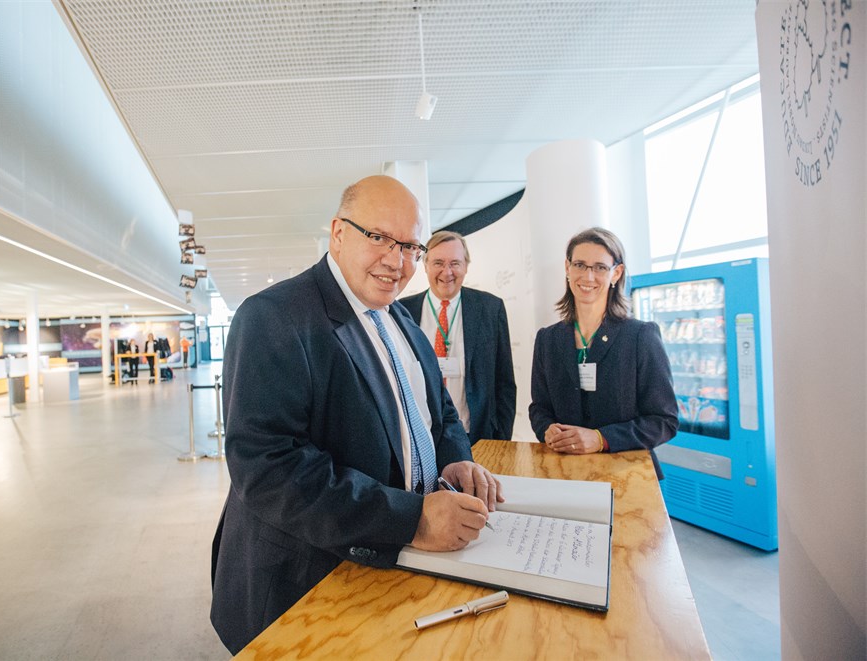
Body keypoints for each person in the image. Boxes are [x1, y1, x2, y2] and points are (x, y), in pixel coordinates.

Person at [210, 175, 503, 655]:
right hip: (304, 588)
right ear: (338, 233)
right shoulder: (273, 317)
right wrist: (414, 520)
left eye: (410, 245)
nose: (398, 261)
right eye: (380, 237)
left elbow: (440, 410)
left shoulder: (401, 318)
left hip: (386, 580)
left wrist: (453, 459)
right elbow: (269, 471)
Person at [528, 227, 678, 475]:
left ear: (616, 273)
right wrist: (547, 429)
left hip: (628, 475)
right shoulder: (547, 339)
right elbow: (539, 408)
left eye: (600, 267)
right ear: (567, 268)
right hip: (564, 472)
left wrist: (600, 439)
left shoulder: (641, 336)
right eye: (580, 265)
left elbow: (664, 420)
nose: (588, 276)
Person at [399, 231, 516, 444]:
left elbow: (504, 381)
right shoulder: (402, 311)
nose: (447, 272)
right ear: (425, 266)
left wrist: (501, 441)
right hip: (421, 437)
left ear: (466, 266)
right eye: (438, 263)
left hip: (476, 436)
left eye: (455, 263)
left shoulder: (490, 308)